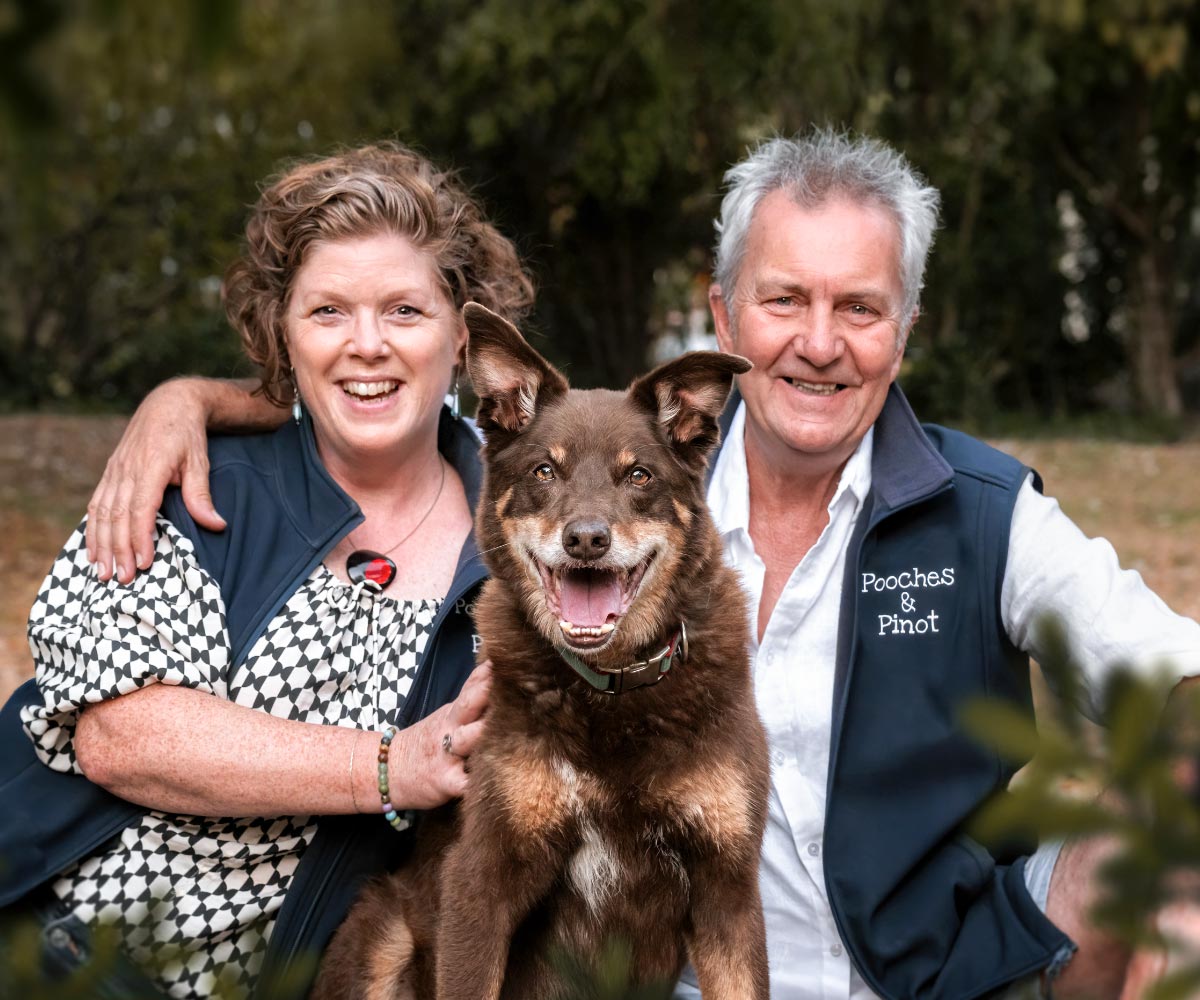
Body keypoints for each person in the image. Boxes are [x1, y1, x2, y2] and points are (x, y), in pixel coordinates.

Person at [59, 130, 1200, 999]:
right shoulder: (582, 485)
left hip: (935, 972)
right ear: (722, 315)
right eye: (783, 299)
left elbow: (1177, 688)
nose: (818, 339)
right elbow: (420, 426)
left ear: (904, 326)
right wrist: (184, 401)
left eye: (860, 307)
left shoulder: (983, 512)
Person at [0, 141, 534, 999]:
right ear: (284, 332)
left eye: (404, 311)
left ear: (463, 335)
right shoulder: (201, 487)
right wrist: (392, 765)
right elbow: (119, 735)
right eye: (327, 312)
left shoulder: (526, 545)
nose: (367, 346)